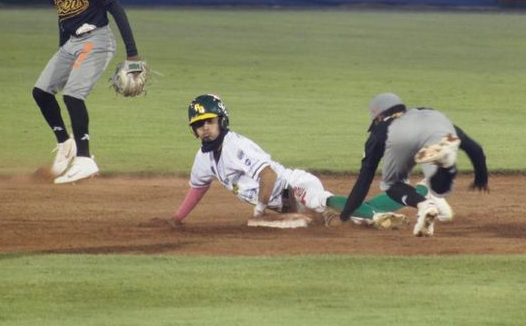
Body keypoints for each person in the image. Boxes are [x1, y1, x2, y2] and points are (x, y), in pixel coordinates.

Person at [171, 94, 407, 229]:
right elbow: (198, 188)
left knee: (318, 199)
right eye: (199, 124)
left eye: (209, 121)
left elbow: (268, 175)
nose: (205, 128)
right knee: (346, 220)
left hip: (293, 186)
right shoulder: (203, 158)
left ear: (222, 121)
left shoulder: (235, 145)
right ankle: (413, 194)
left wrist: (259, 212)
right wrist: (177, 219)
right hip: (287, 205)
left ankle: (376, 217)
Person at [32, 0, 144, 184]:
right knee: (41, 92)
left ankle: (84, 159)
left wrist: (132, 54)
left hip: (97, 40)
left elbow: (117, 10)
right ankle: (65, 144)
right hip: (71, 42)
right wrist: (62, 48)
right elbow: (63, 18)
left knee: (73, 95)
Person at [340, 93, 489, 237]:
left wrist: (345, 214)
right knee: (439, 186)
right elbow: (474, 148)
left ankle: (424, 204)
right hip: (436, 134)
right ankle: (446, 164)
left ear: (379, 117)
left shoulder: (378, 133)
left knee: (391, 184)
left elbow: (364, 180)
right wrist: (481, 178)